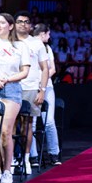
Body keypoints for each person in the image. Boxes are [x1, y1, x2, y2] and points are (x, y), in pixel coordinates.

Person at [0, 12, 30, 183]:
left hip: (11, 89)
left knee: (5, 131)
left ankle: (7, 170)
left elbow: (25, 71)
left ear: (11, 26)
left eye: (2, 23)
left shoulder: (20, 46)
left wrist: (6, 79)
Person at [14, 11, 48, 173]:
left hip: (31, 87)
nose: (23, 24)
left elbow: (45, 68)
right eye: (19, 21)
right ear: (14, 24)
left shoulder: (37, 43)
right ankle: (13, 158)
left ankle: (26, 159)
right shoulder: (8, 41)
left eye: (26, 22)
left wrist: (42, 90)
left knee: (27, 125)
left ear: (30, 25)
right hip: (11, 87)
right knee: (10, 125)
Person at [34, 23, 62, 165]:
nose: (49, 37)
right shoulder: (29, 47)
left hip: (47, 88)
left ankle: (54, 153)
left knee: (49, 121)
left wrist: (42, 82)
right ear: (42, 34)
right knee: (31, 123)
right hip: (31, 88)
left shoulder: (47, 48)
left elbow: (52, 69)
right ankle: (32, 156)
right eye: (48, 34)